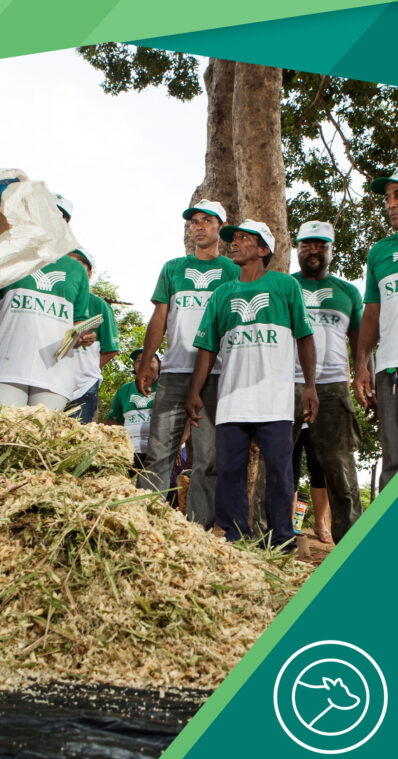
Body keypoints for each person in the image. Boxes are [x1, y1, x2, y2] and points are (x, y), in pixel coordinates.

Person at [186, 219, 318, 551]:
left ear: (263, 249)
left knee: (279, 472)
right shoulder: (222, 293)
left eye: (244, 238)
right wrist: (195, 391)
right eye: (234, 238)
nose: (235, 243)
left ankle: (281, 540)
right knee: (230, 470)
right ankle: (237, 539)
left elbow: (304, 337)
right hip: (232, 401)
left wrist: (310, 386)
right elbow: (207, 347)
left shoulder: (285, 286)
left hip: (275, 400)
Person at [136, 199, 239, 528]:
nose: (199, 226)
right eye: (195, 221)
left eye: (207, 220)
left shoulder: (233, 271)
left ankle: (197, 530)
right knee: (159, 451)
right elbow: (160, 316)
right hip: (175, 373)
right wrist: (147, 360)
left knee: (208, 458)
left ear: (220, 227)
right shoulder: (173, 268)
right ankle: (143, 524)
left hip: (217, 375)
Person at [291, 220, 363, 543]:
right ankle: (271, 540)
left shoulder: (348, 292)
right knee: (276, 464)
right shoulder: (284, 286)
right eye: (306, 244)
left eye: (321, 245)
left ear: (331, 250)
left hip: (334, 388)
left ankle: (351, 544)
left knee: (340, 468)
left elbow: (360, 343)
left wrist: (363, 375)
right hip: (287, 384)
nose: (313, 251)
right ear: (297, 249)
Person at [0, 253, 92, 409]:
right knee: (5, 424)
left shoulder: (76, 269)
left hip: (55, 374)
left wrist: (84, 334)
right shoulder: (10, 258)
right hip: (5, 368)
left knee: (42, 425)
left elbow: (79, 319)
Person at [354, 168, 398, 491]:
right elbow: (371, 313)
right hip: (390, 370)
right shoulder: (379, 252)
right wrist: (361, 366)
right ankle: (390, 526)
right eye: (388, 198)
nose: (391, 204)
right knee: (393, 462)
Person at [66, 248, 119, 423]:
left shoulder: (99, 306)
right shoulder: (54, 300)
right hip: (50, 382)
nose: (73, 270)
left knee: (78, 435)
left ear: (88, 274)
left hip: (84, 387)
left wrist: (87, 369)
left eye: (79, 266)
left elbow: (111, 349)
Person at [106, 349, 159, 478]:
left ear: (159, 365)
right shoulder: (124, 390)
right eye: (139, 361)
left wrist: (178, 444)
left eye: (150, 360)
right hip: (130, 453)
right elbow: (113, 422)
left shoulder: (168, 386)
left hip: (160, 453)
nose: (144, 364)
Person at [292, 425, 332, 542]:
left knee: (321, 470)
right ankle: (289, 524)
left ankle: (320, 522)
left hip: (317, 423)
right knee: (290, 472)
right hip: (290, 422)